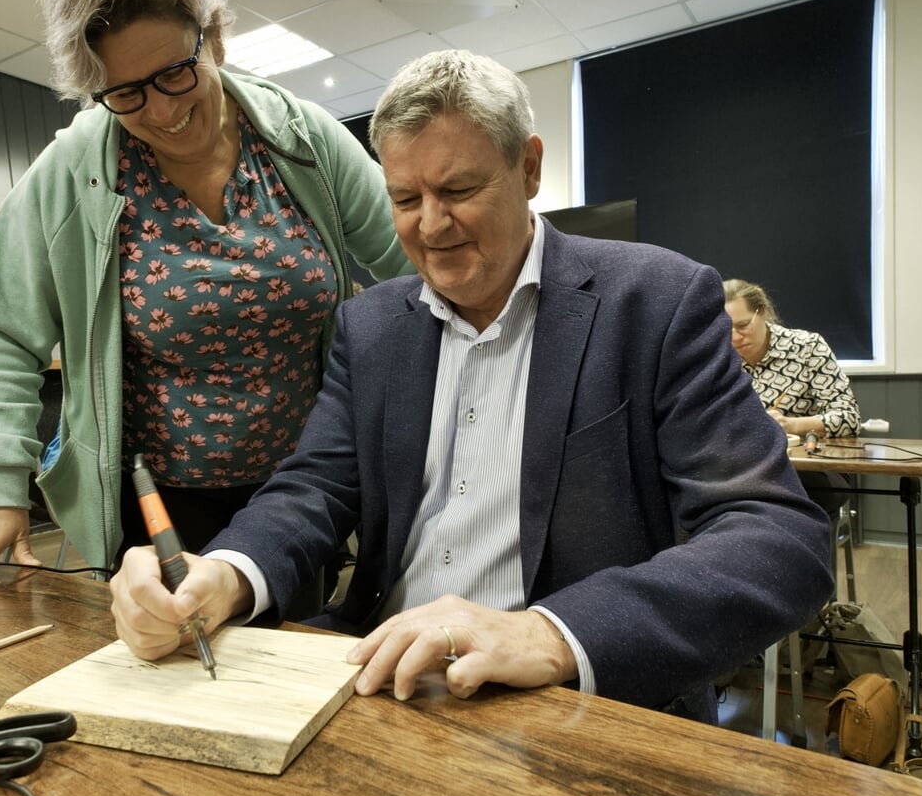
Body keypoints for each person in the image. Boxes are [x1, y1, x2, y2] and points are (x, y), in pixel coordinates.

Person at [109, 50, 832, 721]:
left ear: (529, 168)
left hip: (569, 696)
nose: (430, 225)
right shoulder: (371, 328)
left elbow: (778, 539)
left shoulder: (656, 303)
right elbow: (312, 489)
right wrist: (225, 574)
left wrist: (550, 633)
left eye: (458, 189)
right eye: (404, 197)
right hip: (376, 678)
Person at [0, 0, 410, 592]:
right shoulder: (76, 171)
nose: (164, 112)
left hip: (302, 491)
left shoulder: (300, 140)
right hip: (156, 500)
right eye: (127, 93)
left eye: (175, 73)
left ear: (214, 37)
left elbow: (414, 262)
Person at [721, 279, 861, 438]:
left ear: (763, 312)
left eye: (743, 325)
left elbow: (849, 418)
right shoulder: (718, 358)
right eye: (725, 329)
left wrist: (790, 424)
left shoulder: (808, 348)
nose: (735, 338)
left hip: (799, 456)